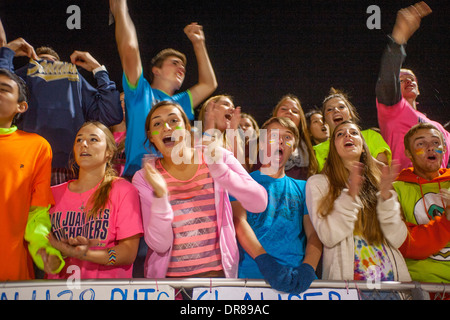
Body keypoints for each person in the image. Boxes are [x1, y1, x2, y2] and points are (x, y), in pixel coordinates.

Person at [131, 100, 268, 279]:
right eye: (157, 123)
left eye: (174, 121)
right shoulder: (144, 177)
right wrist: (160, 196)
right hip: (169, 286)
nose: (166, 127)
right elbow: (159, 245)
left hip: (216, 280)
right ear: (151, 136)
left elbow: (259, 203)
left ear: (187, 127)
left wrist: (222, 173)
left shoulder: (217, 156)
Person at [0, 22, 123, 185]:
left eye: (53, 64)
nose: (48, 67)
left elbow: (111, 115)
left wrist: (98, 69)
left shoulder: (76, 82)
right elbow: (3, 90)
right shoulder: (21, 79)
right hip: (28, 167)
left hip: (62, 171)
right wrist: (7, 52)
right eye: (40, 63)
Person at [109, 0, 218, 179]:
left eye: (183, 66)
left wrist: (199, 44)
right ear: (156, 70)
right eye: (174, 63)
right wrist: (120, 11)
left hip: (174, 177)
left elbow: (209, 84)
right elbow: (129, 49)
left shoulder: (180, 103)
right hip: (139, 175)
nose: (181, 68)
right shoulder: (140, 92)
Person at [305, 120, 411, 300]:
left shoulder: (380, 182)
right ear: (333, 149)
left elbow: (398, 239)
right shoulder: (318, 183)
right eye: (340, 134)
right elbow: (328, 236)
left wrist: (387, 199)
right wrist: (350, 195)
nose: (348, 135)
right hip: (349, 289)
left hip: (392, 287)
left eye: (354, 133)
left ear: (363, 146)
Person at [232, 117, 322, 294]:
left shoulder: (303, 188)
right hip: (251, 279)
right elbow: (238, 222)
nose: (280, 140)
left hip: (297, 280)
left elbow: (314, 233)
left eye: (287, 137)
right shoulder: (241, 181)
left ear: (294, 148)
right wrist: (265, 261)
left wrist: (308, 268)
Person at [47, 121, 143, 279]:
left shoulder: (123, 190)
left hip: (106, 292)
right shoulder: (52, 193)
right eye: (79, 140)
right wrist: (58, 252)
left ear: (109, 152)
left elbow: (128, 253)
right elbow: (42, 246)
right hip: (59, 291)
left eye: (93, 139)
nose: (84, 144)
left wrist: (85, 254)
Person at [0, 68, 64, 280]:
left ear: (21, 106)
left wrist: (42, 249)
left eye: (3, 89)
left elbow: (36, 213)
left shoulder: (36, 147)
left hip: (10, 271)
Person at [375, 1, 450, 170]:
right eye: (401, 80)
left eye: (412, 78)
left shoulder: (441, 129)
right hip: (405, 189)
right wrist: (399, 38)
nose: (408, 81)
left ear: (419, 89)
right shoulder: (393, 110)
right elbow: (387, 76)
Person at [393, 123, 450, 299]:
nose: (430, 147)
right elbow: (408, 245)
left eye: (436, 142)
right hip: (418, 288)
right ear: (408, 153)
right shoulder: (396, 190)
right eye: (421, 144)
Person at [314, 88, 392, 172]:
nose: (336, 110)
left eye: (341, 107)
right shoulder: (317, 150)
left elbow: (384, 170)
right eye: (329, 109)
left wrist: (361, 155)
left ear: (350, 114)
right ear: (324, 120)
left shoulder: (371, 135)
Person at [271, 94, 318, 179]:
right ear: (275, 113)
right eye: (284, 109)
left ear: (300, 119)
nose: (289, 112)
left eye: (295, 111)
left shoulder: (310, 145)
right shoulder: (260, 141)